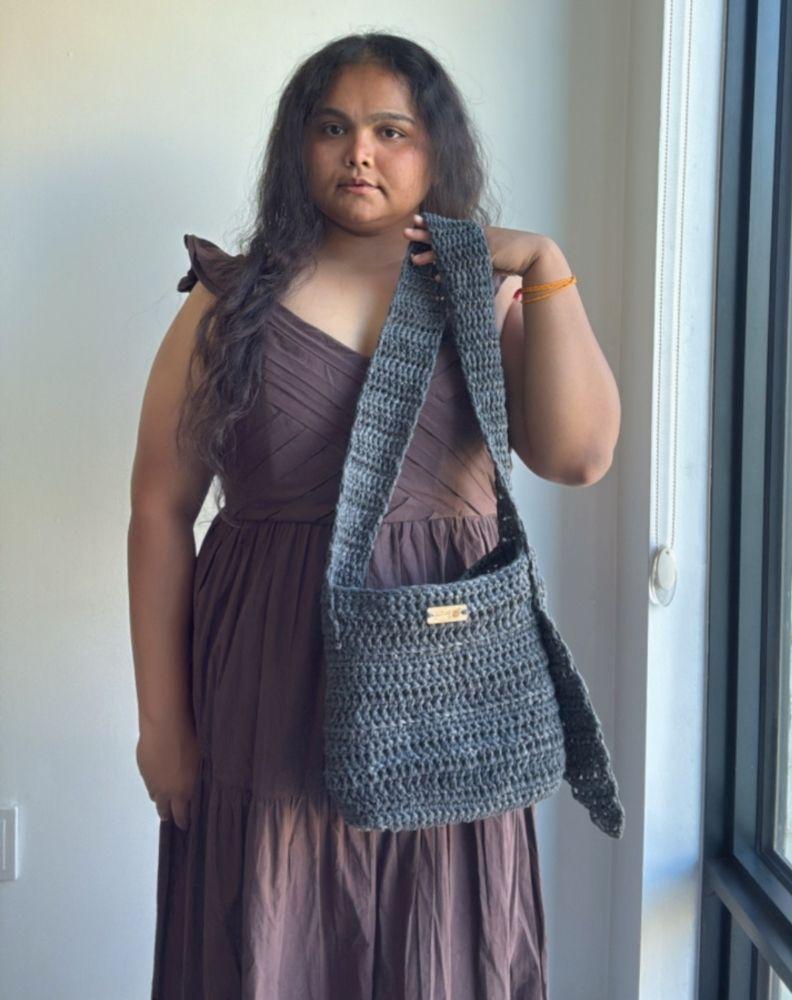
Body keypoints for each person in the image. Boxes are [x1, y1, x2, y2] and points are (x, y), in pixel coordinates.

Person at [128, 30, 620, 1000]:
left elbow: (577, 455)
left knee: (438, 938)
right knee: (267, 927)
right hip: (266, 687)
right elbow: (157, 509)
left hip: (446, 703)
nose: (359, 151)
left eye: (390, 129)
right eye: (332, 127)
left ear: (434, 149)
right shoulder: (228, 304)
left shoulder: (485, 292)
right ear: (294, 148)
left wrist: (544, 265)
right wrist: (162, 726)